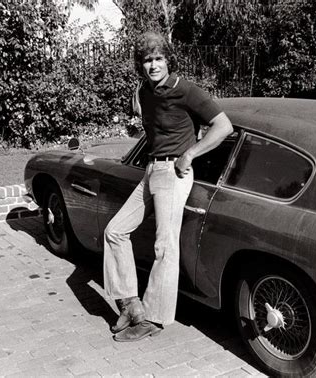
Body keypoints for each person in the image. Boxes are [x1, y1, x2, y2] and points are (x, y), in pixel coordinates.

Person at [103, 31, 233, 342]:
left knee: (164, 246)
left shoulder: (185, 89)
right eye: (147, 60)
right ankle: (131, 305)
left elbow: (224, 126)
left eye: (159, 58)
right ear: (141, 65)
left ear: (168, 60)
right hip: (151, 170)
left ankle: (155, 317)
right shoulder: (145, 92)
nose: (153, 65)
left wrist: (191, 153)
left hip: (174, 173)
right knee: (115, 231)